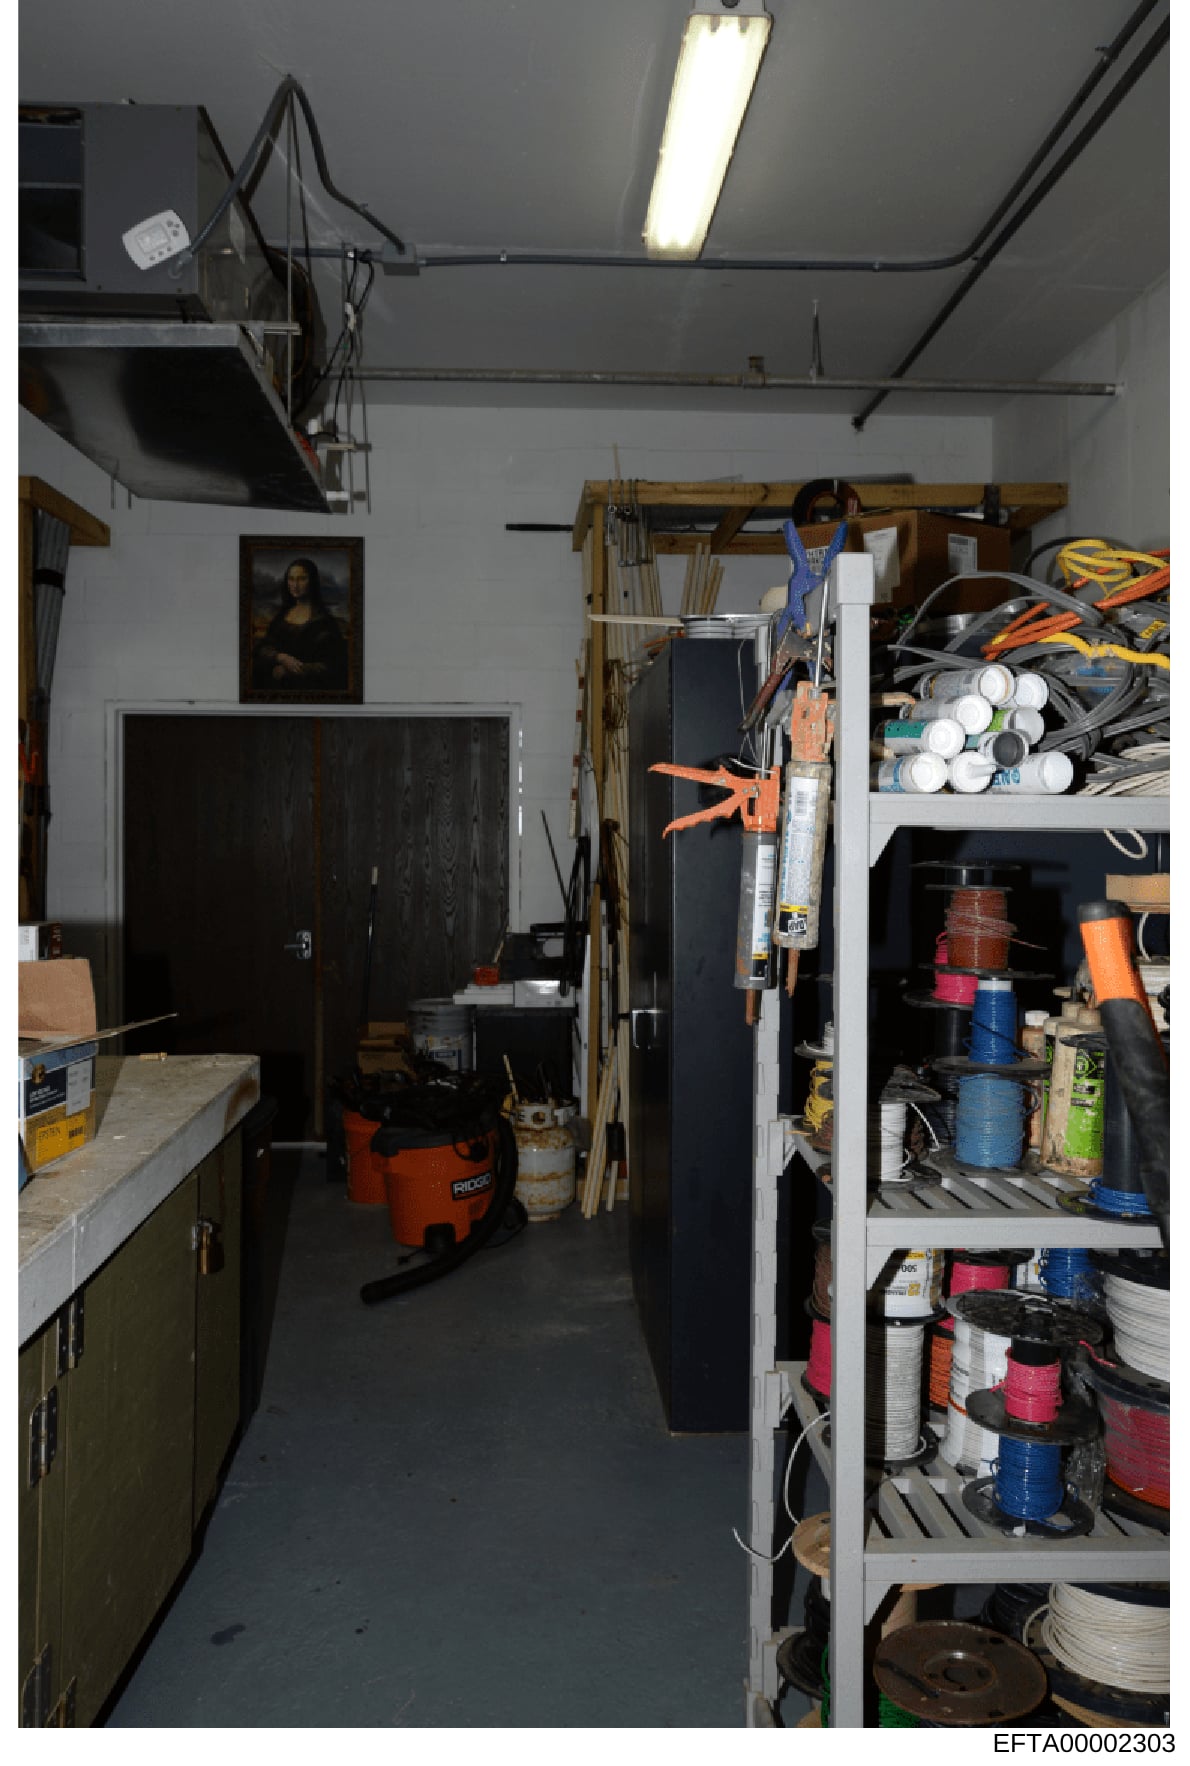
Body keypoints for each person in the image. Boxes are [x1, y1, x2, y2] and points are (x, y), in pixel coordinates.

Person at [253, 556, 349, 691]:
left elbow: (333, 666)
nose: (295, 585)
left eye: (302, 579)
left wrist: (295, 669)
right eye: (291, 579)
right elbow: (263, 647)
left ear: (312, 582)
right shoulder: (281, 617)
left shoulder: (324, 622)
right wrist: (279, 657)